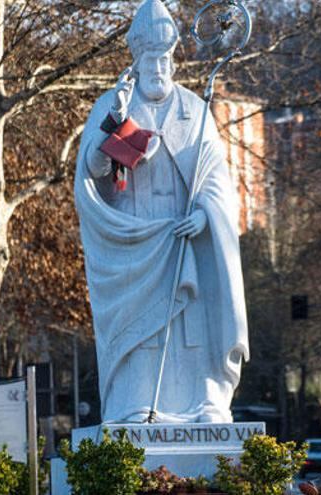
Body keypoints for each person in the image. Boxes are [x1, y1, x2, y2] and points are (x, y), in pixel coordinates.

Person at [74, 0, 248, 424]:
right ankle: (136, 402)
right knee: (143, 327)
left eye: (165, 60)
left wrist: (206, 216)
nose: (158, 69)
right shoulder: (115, 104)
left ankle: (204, 401)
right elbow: (92, 172)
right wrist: (113, 124)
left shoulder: (195, 109)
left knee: (192, 322)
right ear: (137, 60)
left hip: (184, 235)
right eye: (150, 61)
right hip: (135, 239)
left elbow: (216, 180)